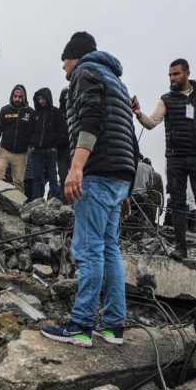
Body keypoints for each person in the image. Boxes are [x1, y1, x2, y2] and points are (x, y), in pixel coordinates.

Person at [41, 32, 137, 347]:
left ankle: (80, 325)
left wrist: (77, 166)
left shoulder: (85, 72)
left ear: (76, 56)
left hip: (97, 172)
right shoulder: (117, 83)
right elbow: (128, 137)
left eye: (64, 61)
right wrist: (127, 190)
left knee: (89, 248)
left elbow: (92, 118)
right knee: (109, 247)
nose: (64, 68)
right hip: (119, 173)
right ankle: (112, 326)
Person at [133, 59, 196, 263]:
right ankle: (180, 248)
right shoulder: (166, 99)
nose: (172, 78)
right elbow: (152, 122)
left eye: (176, 74)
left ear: (187, 73)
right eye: (170, 75)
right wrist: (139, 114)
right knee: (178, 202)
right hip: (175, 157)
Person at [0, 85, 34, 190]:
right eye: (15, 96)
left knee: (18, 181)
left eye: (19, 97)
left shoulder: (31, 112)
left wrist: (32, 145)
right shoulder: (5, 110)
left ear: (24, 97)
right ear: (12, 96)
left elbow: (33, 132)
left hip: (21, 153)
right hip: (4, 150)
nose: (17, 99)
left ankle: (18, 205)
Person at [29, 87, 64, 201]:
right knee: (37, 177)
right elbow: (30, 131)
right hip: (37, 150)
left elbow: (61, 131)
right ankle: (36, 200)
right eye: (39, 99)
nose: (41, 101)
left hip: (51, 150)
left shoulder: (56, 112)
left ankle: (55, 200)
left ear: (48, 98)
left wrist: (55, 146)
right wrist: (32, 145)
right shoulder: (35, 114)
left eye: (43, 98)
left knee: (53, 176)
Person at [57, 87, 72, 191]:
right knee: (63, 178)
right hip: (61, 151)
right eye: (64, 95)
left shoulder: (76, 112)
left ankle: (75, 203)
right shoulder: (57, 114)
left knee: (76, 177)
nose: (66, 97)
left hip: (74, 149)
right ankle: (65, 201)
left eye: (68, 95)